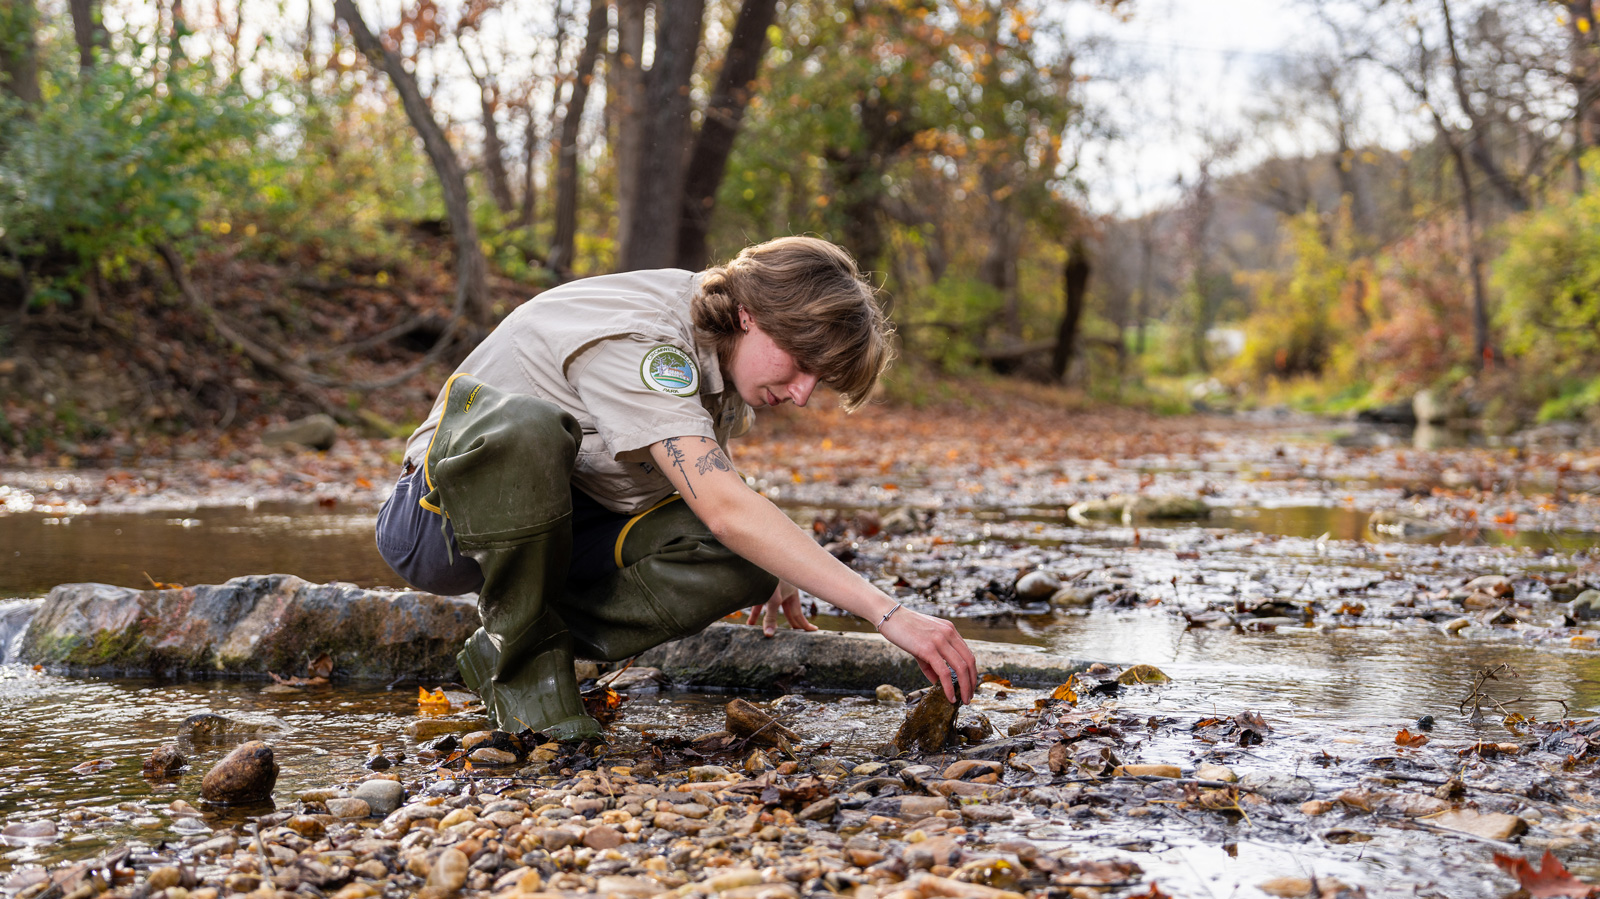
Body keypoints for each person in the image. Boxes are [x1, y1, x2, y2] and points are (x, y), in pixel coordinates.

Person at [375, 236, 977, 740]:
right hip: (435, 525)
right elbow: (722, 507)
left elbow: (714, 490)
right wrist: (887, 612)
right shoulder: (648, 340)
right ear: (752, 315)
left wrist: (779, 567)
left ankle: (521, 637)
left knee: (749, 564)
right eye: (800, 363)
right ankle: (521, 663)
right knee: (530, 430)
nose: (801, 394)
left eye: (817, 380)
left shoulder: (721, 353)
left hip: (565, 521)